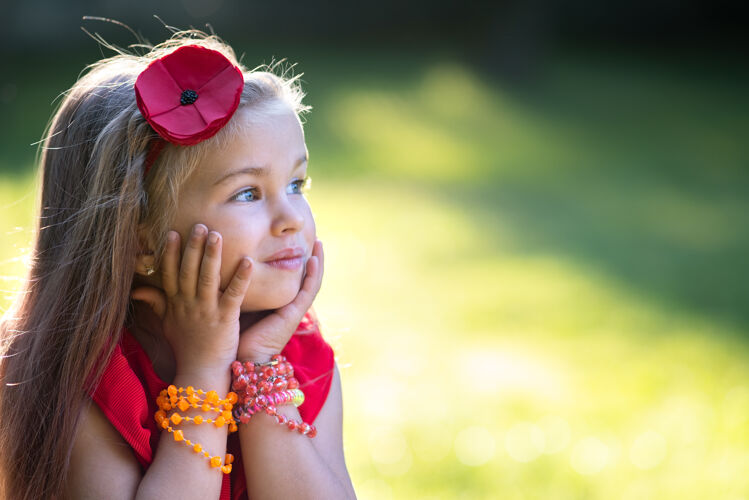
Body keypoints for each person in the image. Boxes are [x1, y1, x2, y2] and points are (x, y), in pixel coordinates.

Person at [0, 30, 356, 500]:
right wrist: (204, 371)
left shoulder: (299, 355)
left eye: (297, 184)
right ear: (140, 241)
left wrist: (259, 367)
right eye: (247, 193)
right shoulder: (85, 378)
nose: (293, 220)